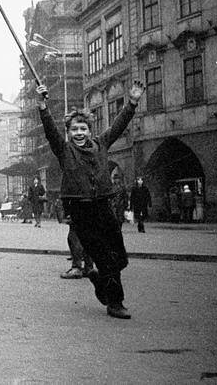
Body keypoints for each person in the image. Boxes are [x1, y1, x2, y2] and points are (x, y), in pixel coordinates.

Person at [37, 80, 144, 319]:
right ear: (69, 132)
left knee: (120, 258)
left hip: (104, 207)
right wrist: (43, 108)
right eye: (74, 130)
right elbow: (51, 132)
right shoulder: (64, 150)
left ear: (90, 130)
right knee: (106, 259)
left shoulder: (101, 144)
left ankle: (100, 284)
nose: (78, 133)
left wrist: (133, 102)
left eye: (83, 129)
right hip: (81, 212)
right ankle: (115, 302)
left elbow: (118, 126)